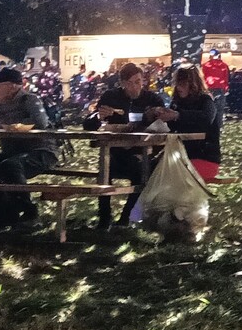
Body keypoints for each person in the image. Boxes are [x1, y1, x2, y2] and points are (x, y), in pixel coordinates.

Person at [0, 66, 56, 223]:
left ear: (11, 87)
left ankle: (29, 212)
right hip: (13, 153)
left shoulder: (30, 100)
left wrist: (5, 123)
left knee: (10, 166)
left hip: (41, 152)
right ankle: (4, 211)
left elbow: (41, 122)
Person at [84, 63, 169, 227]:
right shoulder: (111, 97)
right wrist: (99, 117)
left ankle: (127, 217)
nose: (135, 86)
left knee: (141, 172)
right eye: (130, 83)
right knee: (105, 169)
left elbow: (163, 131)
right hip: (115, 151)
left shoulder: (152, 99)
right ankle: (104, 216)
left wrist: (151, 118)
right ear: (122, 83)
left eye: (138, 81)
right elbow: (88, 124)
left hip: (143, 151)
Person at [163, 62, 223, 182]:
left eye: (183, 84)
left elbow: (205, 119)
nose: (179, 88)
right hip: (182, 156)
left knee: (164, 174)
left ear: (193, 85)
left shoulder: (205, 101)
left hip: (204, 157)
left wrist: (178, 116)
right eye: (177, 84)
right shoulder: (177, 102)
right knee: (153, 170)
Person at [201, 47, 231, 128]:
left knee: (208, 108)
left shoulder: (205, 65)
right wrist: (225, 89)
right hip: (220, 89)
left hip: (208, 89)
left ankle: (208, 125)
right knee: (219, 109)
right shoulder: (224, 66)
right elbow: (226, 78)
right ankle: (218, 126)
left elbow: (203, 78)